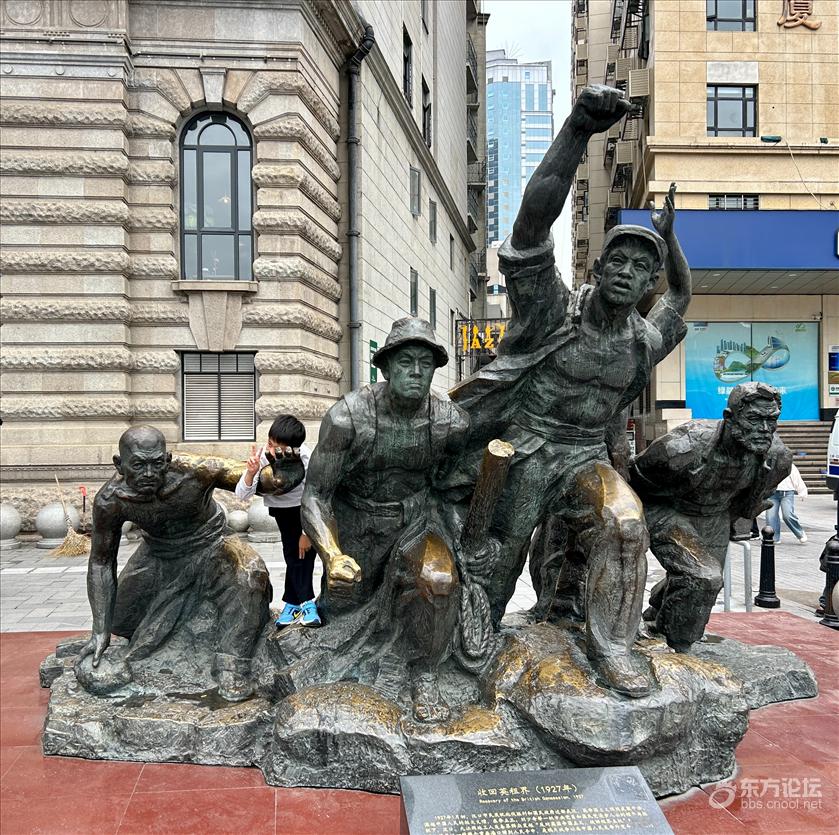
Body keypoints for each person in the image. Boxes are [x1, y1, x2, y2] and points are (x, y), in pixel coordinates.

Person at [448, 85, 692, 697]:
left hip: (585, 456)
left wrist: (670, 240)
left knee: (626, 524)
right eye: (618, 261)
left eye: (641, 268)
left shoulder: (642, 340)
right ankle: (469, 639)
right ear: (599, 269)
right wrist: (578, 129)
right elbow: (530, 227)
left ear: (647, 283)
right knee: (499, 555)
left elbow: (683, 297)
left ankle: (613, 646)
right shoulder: (553, 313)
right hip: (527, 449)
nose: (627, 272)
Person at [302, 318, 470, 722]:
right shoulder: (347, 418)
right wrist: (332, 554)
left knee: (439, 582)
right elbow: (316, 495)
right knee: (341, 616)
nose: (416, 372)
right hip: (356, 528)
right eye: (406, 362)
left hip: (415, 524)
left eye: (425, 364)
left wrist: (464, 535)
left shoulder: (450, 423)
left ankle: (425, 671)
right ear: (386, 367)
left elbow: (455, 488)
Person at [77, 426, 303, 701]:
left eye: (157, 464)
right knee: (121, 621)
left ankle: (232, 664)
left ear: (167, 459)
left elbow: (255, 480)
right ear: (119, 464)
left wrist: (285, 474)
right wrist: (100, 631)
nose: (148, 473)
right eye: (138, 465)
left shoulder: (196, 470)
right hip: (160, 553)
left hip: (213, 542)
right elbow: (101, 562)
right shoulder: (110, 500)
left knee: (250, 575)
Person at [630, 383, 791, 651]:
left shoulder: (777, 459)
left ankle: (660, 612)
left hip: (715, 515)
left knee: (703, 585)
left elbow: (751, 499)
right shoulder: (682, 447)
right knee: (704, 577)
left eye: (771, 420)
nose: (764, 429)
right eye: (754, 419)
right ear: (730, 418)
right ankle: (679, 649)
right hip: (666, 509)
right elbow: (632, 478)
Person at [236, 414, 319, 628]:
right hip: (283, 512)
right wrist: (251, 472)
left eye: (276, 447)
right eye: (269, 443)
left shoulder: (306, 457)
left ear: (292, 449)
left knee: (301, 556)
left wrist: (307, 532)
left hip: (305, 510)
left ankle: (297, 604)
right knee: (295, 555)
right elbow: (241, 495)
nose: (270, 449)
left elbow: (315, 494)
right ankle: (303, 603)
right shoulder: (264, 457)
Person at [766, 462, 808, 543]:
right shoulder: (769, 464)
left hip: (787, 493)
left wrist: (802, 491)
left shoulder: (789, 464)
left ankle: (800, 533)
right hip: (772, 493)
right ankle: (774, 538)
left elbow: (796, 478)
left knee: (787, 515)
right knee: (771, 516)